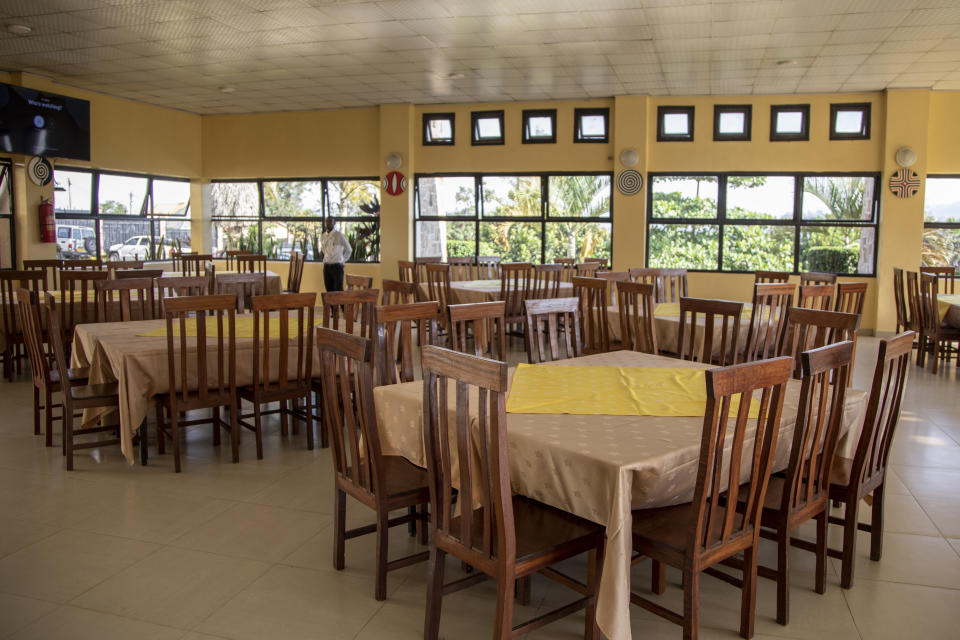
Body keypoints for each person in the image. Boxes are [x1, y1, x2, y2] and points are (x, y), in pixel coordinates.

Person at [320, 217, 352, 292]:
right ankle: (331, 304)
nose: (328, 223)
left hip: (337, 267)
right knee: (328, 291)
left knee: (338, 290)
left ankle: (343, 304)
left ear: (334, 223)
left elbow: (349, 249)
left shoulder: (339, 235)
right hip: (326, 266)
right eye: (327, 221)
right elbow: (324, 250)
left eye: (330, 221)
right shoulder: (323, 236)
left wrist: (343, 261)